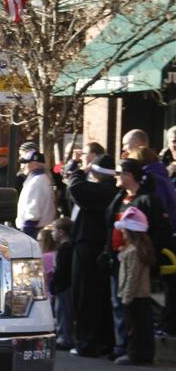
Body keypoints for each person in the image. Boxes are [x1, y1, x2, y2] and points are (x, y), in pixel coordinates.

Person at [105, 159, 173, 358]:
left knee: (135, 304)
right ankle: (122, 344)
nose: (116, 177)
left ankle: (136, 349)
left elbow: (162, 231)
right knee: (119, 303)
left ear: (129, 175)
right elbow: (109, 221)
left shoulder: (147, 200)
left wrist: (149, 256)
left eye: (120, 173)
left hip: (137, 260)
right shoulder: (120, 199)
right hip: (119, 257)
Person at [66, 153, 118, 357]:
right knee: (101, 298)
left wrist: (82, 170)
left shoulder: (101, 190)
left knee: (86, 295)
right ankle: (103, 341)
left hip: (89, 246)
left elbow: (75, 187)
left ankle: (86, 342)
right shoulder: (111, 190)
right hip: (98, 246)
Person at [112, 207, 156, 365]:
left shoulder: (133, 252)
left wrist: (126, 296)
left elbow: (132, 276)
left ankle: (134, 354)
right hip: (141, 294)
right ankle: (144, 354)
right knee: (142, 326)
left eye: (124, 231)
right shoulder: (138, 250)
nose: (122, 234)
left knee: (134, 328)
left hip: (133, 295)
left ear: (130, 232)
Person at [15, 149, 56, 238]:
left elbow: (33, 210)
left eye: (27, 163)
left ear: (36, 164)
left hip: (33, 229)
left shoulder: (37, 181)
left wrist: (27, 233)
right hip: (37, 229)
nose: (23, 166)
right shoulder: (38, 179)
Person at [47, 218, 74, 350]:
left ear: (61, 232)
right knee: (61, 310)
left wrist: (54, 282)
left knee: (63, 311)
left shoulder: (65, 249)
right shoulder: (67, 248)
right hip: (63, 285)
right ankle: (63, 335)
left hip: (63, 285)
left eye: (54, 230)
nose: (52, 234)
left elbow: (61, 269)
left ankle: (65, 338)